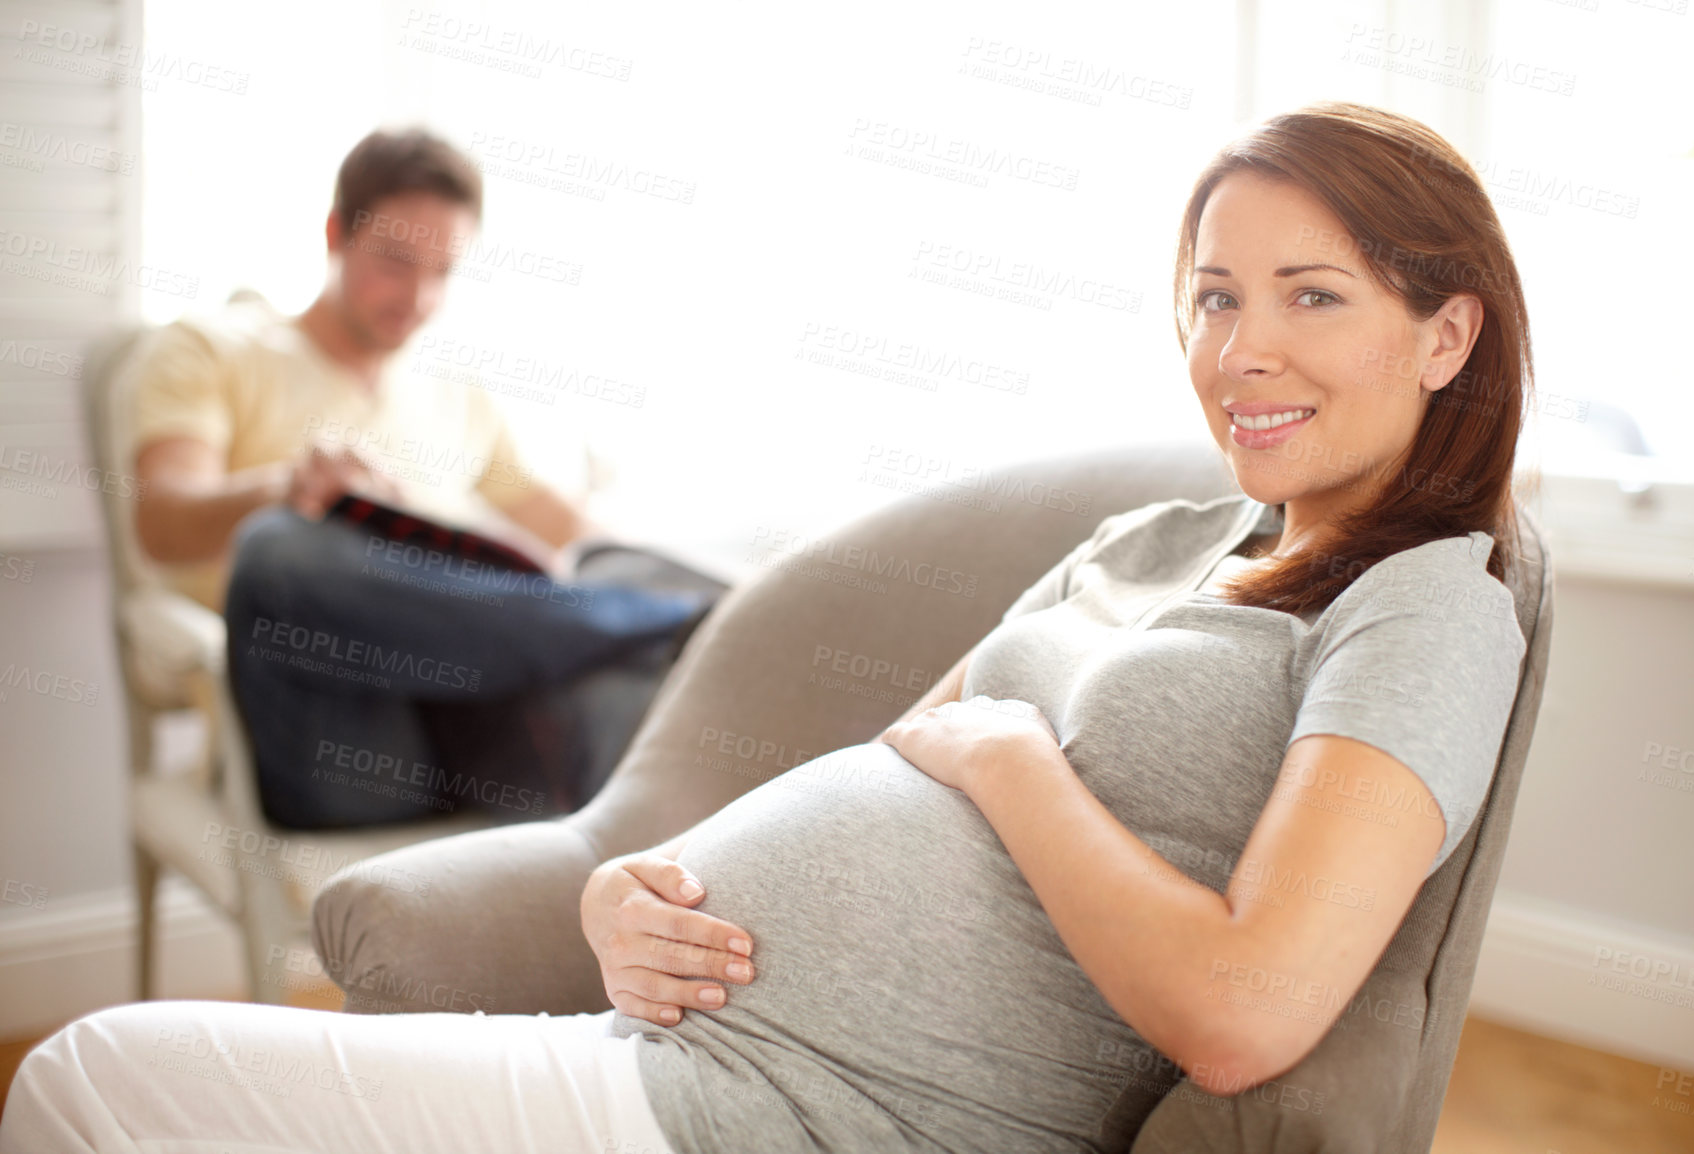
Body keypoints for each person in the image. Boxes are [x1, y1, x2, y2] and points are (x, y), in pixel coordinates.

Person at [2, 101, 1532, 1153]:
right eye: (1210, 299)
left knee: (82, 1082)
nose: (1239, 347)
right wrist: (633, 898)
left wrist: (1014, 761)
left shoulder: (1425, 599)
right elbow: (888, 762)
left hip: (811, 1108)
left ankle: (626, 625)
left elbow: (1246, 1012)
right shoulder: (1155, 538)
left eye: (1309, 296)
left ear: (1446, 330)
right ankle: (628, 630)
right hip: (673, 1033)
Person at [121, 126, 724, 828]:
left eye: (442, 271)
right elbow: (160, 520)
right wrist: (286, 486)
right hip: (341, 737)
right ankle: (679, 619)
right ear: (336, 233)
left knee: (625, 647)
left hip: (481, 735)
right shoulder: (212, 349)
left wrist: (643, 570)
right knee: (281, 548)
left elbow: (571, 529)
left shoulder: (457, 396)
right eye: (396, 261)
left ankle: (681, 623)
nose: (419, 295)